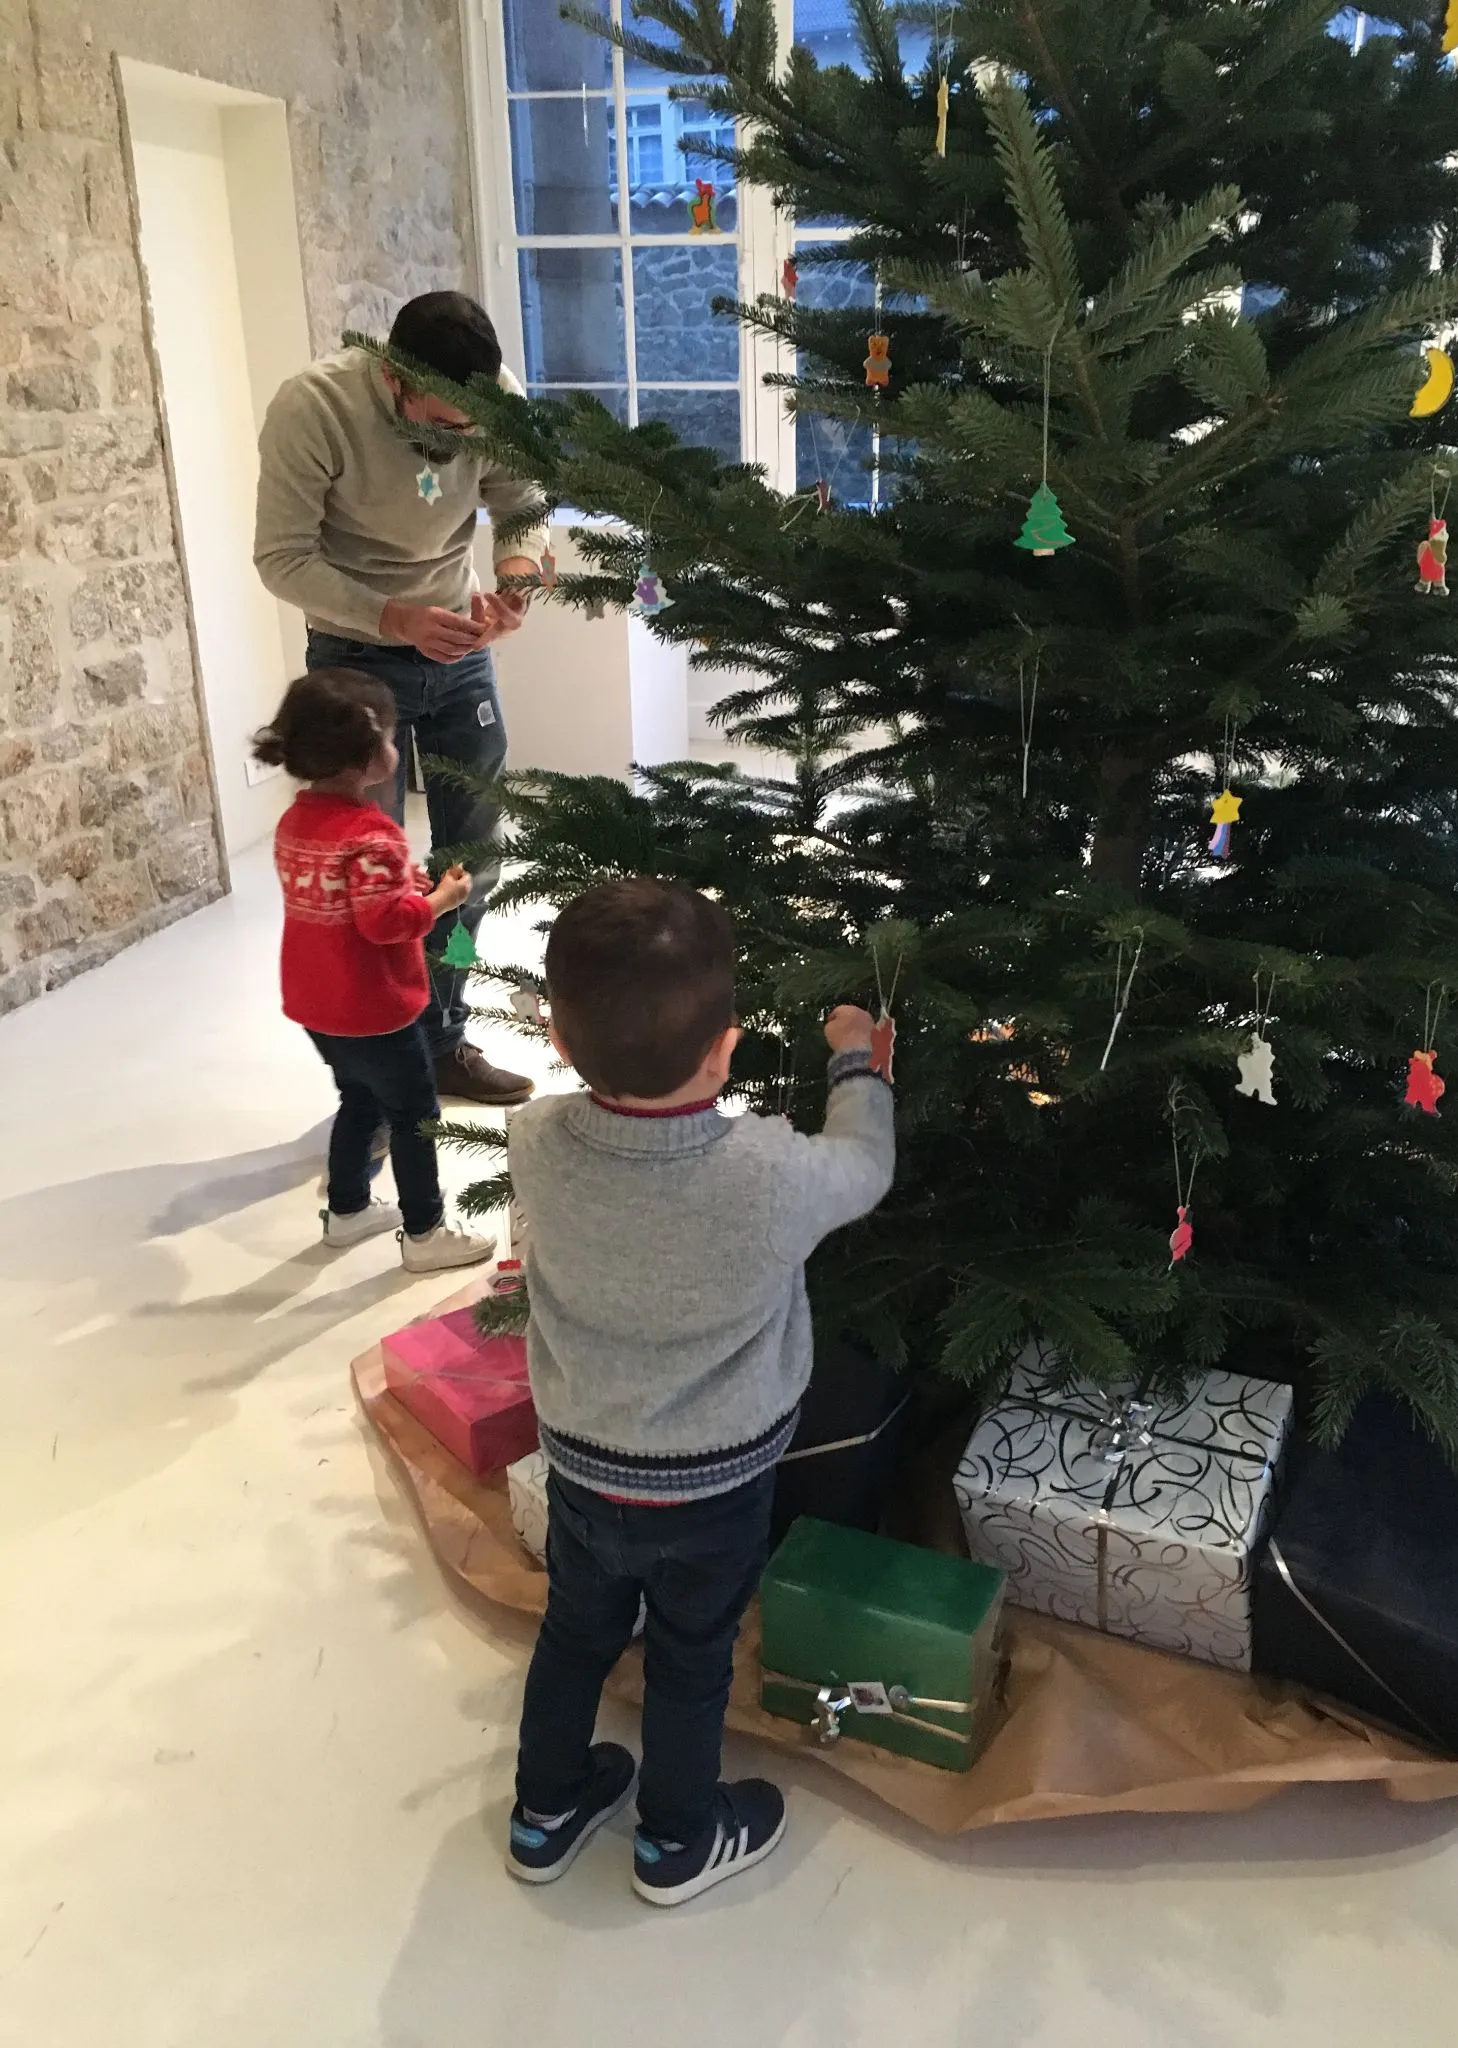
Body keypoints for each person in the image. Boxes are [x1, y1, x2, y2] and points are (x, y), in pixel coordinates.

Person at [502, 878, 895, 1905]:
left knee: (575, 1629)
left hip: (584, 1463)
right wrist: (859, 1060)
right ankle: (677, 1841)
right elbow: (863, 1165)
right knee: (690, 1654)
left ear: (555, 1031)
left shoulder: (534, 1141)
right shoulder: (767, 1171)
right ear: (726, 1048)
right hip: (717, 1486)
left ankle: (543, 1811)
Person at [254, 291, 548, 1107]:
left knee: (474, 866)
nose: (460, 441)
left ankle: (444, 1036)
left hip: (458, 652)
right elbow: (280, 557)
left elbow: (523, 508)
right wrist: (392, 617)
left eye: (472, 428)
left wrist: (516, 588)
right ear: (393, 376)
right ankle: (379, 1072)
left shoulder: (494, 400)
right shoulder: (314, 408)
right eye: (444, 424)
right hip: (353, 658)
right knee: (367, 884)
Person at [255, 668, 498, 1275]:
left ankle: (348, 1210)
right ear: (369, 756)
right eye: (392, 737)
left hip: (318, 1003)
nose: (398, 747)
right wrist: (439, 900)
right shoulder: (373, 837)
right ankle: (424, 1232)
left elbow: (344, 901)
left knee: (358, 1099)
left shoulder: (296, 822)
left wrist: (400, 888)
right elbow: (386, 925)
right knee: (415, 1117)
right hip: (374, 1007)